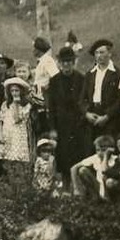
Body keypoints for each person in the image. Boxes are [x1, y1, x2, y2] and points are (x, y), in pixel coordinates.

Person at [45, 46, 88, 175]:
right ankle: (65, 184)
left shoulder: (81, 78)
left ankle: (77, 183)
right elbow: (51, 106)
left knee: (77, 153)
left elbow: (85, 102)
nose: (66, 64)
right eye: (63, 62)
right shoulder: (54, 81)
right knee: (62, 154)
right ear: (59, 63)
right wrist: (52, 128)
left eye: (69, 61)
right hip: (61, 124)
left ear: (73, 62)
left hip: (77, 123)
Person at [82, 39, 120, 154]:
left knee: (109, 148)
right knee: (92, 149)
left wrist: (107, 116)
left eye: (102, 52)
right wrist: (87, 113)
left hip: (110, 117)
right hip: (92, 116)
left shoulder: (118, 73)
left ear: (109, 53)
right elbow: (82, 98)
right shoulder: (90, 74)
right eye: (96, 53)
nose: (99, 56)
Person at [0, 78, 33, 171]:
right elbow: (0, 120)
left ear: (21, 91)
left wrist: (16, 104)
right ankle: (9, 178)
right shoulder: (5, 104)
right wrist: (0, 135)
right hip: (7, 133)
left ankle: (19, 178)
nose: (14, 93)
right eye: (12, 91)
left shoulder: (26, 105)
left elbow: (17, 119)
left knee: (18, 157)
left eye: (16, 90)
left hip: (18, 133)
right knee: (7, 158)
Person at [71, 135, 119, 200]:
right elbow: (73, 168)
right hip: (98, 185)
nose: (99, 153)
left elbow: (104, 170)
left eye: (103, 150)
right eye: (97, 150)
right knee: (82, 170)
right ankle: (94, 196)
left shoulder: (115, 159)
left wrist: (106, 156)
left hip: (109, 186)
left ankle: (112, 199)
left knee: (106, 177)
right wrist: (76, 188)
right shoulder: (95, 157)